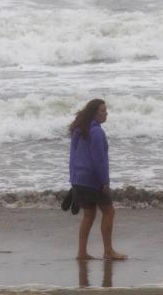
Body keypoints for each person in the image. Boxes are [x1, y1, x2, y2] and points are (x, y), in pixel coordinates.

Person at [68, 99, 126, 260]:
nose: (105, 113)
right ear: (94, 113)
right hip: (92, 180)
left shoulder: (78, 130)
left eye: (106, 110)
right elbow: (98, 160)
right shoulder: (96, 132)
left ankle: (81, 252)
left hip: (79, 179)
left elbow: (73, 156)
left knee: (89, 215)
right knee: (109, 211)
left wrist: (73, 179)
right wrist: (104, 181)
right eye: (102, 111)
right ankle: (108, 251)